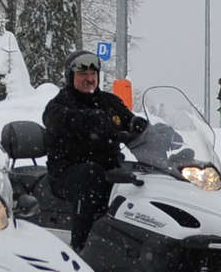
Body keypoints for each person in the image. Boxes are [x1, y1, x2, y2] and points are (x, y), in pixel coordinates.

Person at [42, 50, 147, 251]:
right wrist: (103, 128)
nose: (89, 79)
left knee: (142, 177)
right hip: (67, 173)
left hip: (107, 168)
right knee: (91, 175)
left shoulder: (109, 102)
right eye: (83, 75)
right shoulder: (58, 107)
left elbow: (127, 119)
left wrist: (140, 126)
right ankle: (81, 248)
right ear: (70, 76)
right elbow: (73, 121)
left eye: (93, 74)